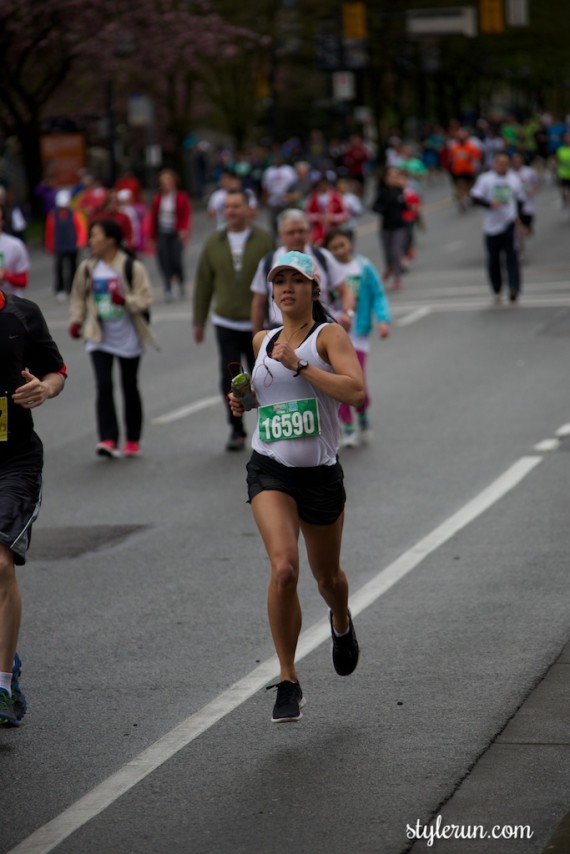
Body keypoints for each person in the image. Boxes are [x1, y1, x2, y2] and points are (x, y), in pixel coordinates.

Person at [228, 250, 364, 723]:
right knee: (284, 568)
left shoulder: (329, 336)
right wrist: (243, 401)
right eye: (278, 281)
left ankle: (342, 622)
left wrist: (302, 365)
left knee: (327, 578)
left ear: (314, 289)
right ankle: (288, 678)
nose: (286, 288)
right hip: (271, 468)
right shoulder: (262, 339)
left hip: (321, 474)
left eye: (296, 281)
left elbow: (354, 391)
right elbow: (268, 400)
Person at [0, 287, 67, 726]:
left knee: (0, 565)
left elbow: (56, 371)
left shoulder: (23, 313)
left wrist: (44, 388)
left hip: (14, 461)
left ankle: (2, 685)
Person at [193, 189, 274, 451]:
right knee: (231, 376)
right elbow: (204, 283)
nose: (231, 211)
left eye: (237, 206)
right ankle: (237, 429)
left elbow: (275, 281)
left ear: (249, 209)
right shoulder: (213, 243)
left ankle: (267, 425)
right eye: (227, 206)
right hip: (226, 322)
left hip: (258, 326)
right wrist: (199, 321)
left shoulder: (263, 240)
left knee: (262, 376)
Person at [69, 219, 155, 458]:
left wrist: (125, 302)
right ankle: (107, 438)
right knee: (103, 386)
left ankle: (132, 439)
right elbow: (78, 297)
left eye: (95, 235)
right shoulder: (88, 268)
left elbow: (146, 297)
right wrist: (77, 320)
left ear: (111, 240)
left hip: (128, 337)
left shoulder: (130, 266)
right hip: (99, 336)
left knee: (129, 387)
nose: (91, 241)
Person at [324, 228, 391, 447]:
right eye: (334, 247)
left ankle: (362, 415)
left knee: (358, 382)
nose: (339, 250)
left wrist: (383, 320)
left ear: (350, 244)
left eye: (342, 245)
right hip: (335, 334)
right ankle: (348, 427)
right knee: (340, 381)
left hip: (359, 334)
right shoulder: (327, 271)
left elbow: (379, 294)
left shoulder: (363, 267)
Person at [250, 208, 355, 334]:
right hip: (281, 330)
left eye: (301, 231)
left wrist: (347, 314)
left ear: (308, 231)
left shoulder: (322, 256)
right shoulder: (269, 261)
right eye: (291, 232)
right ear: (280, 234)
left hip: (320, 327)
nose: (297, 236)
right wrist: (256, 337)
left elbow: (345, 291)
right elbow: (259, 302)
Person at [470, 152, 526, 305]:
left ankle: (514, 288)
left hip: (509, 224)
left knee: (512, 258)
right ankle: (497, 289)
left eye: (505, 162)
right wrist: (489, 204)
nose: (502, 165)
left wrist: (520, 222)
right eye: (499, 162)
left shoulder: (514, 178)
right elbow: (474, 197)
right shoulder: (486, 179)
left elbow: (520, 200)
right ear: (494, 164)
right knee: (494, 260)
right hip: (491, 226)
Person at [148, 169, 192, 301]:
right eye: (163, 181)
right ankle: (167, 287)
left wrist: (184, 230)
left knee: (176, 259)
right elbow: (153, 217)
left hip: (176, 232)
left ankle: (180, 281)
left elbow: (186, 214)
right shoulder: (158, 198)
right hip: (162, 231)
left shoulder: (180, 197)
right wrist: (151, 236)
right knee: (164, 259)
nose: (166, 183)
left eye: (168, 180)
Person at [44, 189, 88, 302]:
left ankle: (72, 289)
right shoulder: (52, 215)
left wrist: (81, 241)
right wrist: (49, 246)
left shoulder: (75, 214)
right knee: (59, 267)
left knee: (73, 267)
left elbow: (81, 229)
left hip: (73, 245)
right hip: (59, 245)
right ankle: (60, 289)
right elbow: (49, 231)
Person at [372, 167, 410, 290]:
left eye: (395, 176)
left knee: (395, 251)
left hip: (399, 226)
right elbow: (374, 207)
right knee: (387, 252)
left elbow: (407, 207)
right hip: (386, 227)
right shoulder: (382, 192)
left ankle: (397, 277)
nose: (393, 178)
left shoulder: (401, 191)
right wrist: (384, 209)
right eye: (391, 176)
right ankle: (389, 267)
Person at [304, 175, 349, 246]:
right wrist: (318, 217)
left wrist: (333, 218)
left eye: (324, 184)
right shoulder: (312, 198)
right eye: (321, 184)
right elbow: (306, 215)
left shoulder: (336, 196)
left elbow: (345, 214)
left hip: (334, 230)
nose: (323, 186)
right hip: (318, 233)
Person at [0, 205, 30, 296]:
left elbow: (23, 281)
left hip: (11, 304)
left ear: (3, 221)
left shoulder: (15, 245)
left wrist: (6, 276)